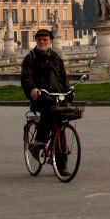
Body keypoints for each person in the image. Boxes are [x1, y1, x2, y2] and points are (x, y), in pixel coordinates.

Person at [20, 28, 71, 176]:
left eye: (45, 39)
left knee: (60, 127)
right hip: (40, 96)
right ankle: (39, 143)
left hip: (56, 96)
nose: (42, 42)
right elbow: (26, 78)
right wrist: (32, 89)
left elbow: (64, 77)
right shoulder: (30, 58)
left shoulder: (56, 58)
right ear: (36, 41)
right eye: (40, 39)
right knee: (48, 112)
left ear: (50, 41)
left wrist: (68, 93)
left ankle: (61, 163)